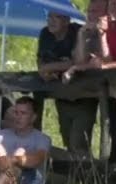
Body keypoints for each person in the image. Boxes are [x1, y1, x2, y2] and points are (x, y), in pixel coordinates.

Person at [38, 10, 96, 156]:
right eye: (49, 17)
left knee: (79, 142)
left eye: (56, 17)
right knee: (67, 139)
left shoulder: (77, 32)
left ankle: (85, 175)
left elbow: (79, 61)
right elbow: (41, 59)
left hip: (84, 94)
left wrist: (49, 67)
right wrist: (44, 71)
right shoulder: (45, 34)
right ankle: (73, 177)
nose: (51, 21)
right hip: (61, 94)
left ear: (67, 20)